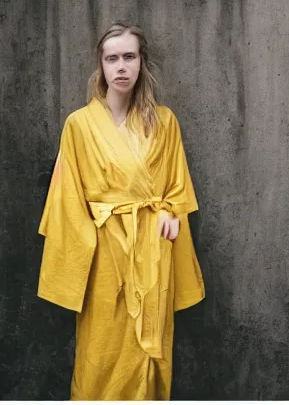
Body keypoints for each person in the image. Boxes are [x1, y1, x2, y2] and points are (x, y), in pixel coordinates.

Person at [37, 23, 205, 400]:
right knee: (100, 353)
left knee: (151, 352)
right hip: (102, 257)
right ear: (101, 65)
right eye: (112, 58)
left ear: (142, 62)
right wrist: (86, 253)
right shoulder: (78, 125)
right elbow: (66, 200)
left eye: (129, 57)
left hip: (152, 253)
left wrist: (170, 213)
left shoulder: (165, 122)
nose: (121, 66)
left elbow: (177, 189)